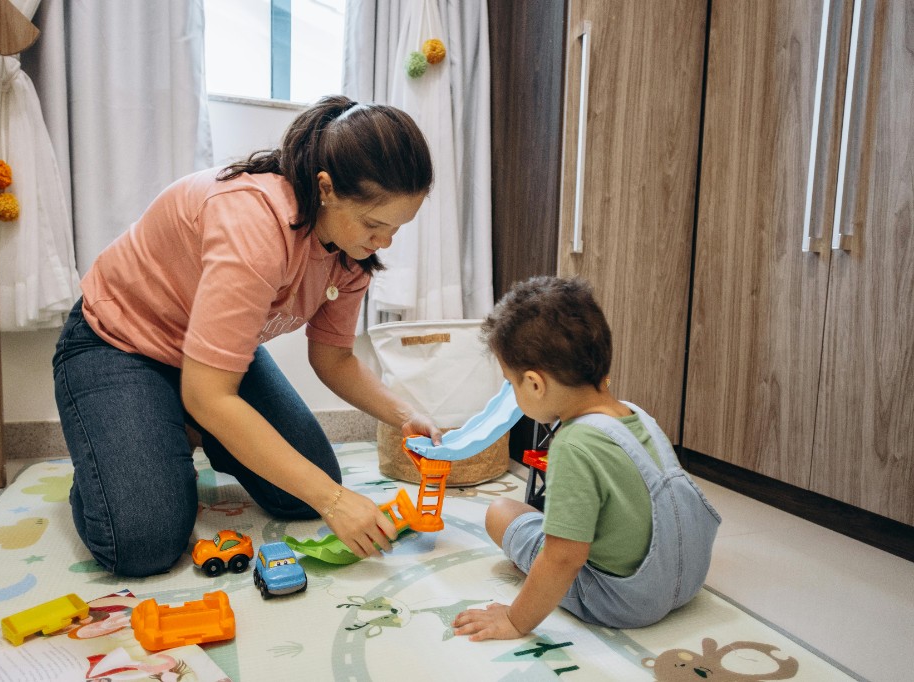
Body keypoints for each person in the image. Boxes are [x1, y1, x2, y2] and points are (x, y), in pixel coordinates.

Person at [52, 95, 442, 578]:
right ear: (326, 188)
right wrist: (337, 502)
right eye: (374, 224)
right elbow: (209, 394)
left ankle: (173, 423)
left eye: (397, 229)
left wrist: (405, 415)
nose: (383, 242)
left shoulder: (349, 252)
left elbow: (334, 357)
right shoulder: (255, 224)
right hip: (118, 341)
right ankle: (113, 451)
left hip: (209, 361)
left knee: (297, 496)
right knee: (141, 542)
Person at [452, 276, 720, 638]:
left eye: (511, 383)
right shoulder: (638, 417)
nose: (514, 393)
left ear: (534, 383)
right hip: (687, 578)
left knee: (501, 513)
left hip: (625, 600)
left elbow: (565, 557)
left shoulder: (573, 444)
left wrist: (515, 620)